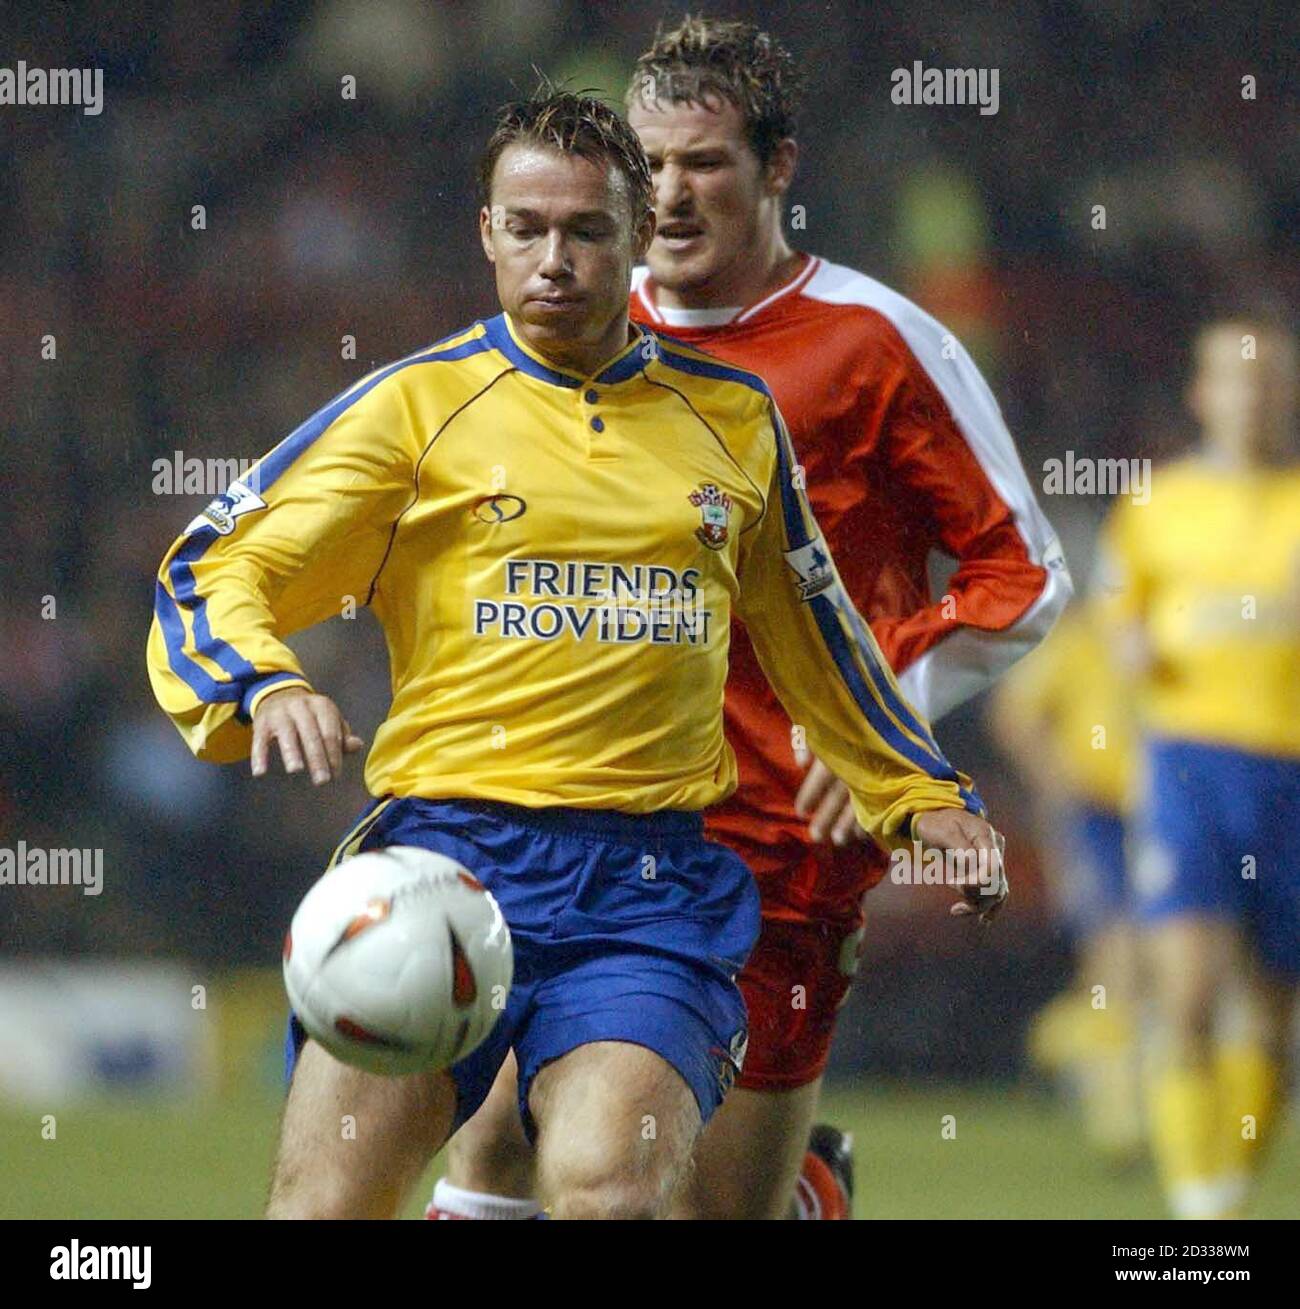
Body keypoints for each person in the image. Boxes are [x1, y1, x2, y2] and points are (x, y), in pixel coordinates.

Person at [147, 87, 1004, 1221]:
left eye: (587, 230)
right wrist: (263, 679)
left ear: (637, 234)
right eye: (526, 228)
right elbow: (214, 566)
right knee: (321, 1208)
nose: (554, 259)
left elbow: (821, 637)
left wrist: (918, 790)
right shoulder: (417, 408)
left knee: (608, 1192)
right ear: (486, 234)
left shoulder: (733, 421)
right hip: (439, 870)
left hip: (644, 889)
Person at [430, 17, 1065, 1223]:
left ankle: (804, 1191)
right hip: (586, 815)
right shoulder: (578, 328)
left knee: (702, 1206)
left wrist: (879, 720)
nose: (668, 193)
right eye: (648, 163)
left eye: (703, 162)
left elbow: (1022, 571)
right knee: (500, 1143)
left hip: (778, 836)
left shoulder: (874, 343)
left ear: (776, 169)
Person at [1096, 314, 1300, 1219]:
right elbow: (1115, 612)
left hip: (1291, 773)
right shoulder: (1157, 506)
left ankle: (1228, 1191)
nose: (1252, 395)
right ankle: (1197, 1211)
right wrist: (1131, 644)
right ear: (1201, 393)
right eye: (1235, 378)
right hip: (1189, 767)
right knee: (1185, 993)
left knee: (1271, 1014)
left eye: (1268, 379)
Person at [989, 598, 1143, 1166]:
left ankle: (1060, 1039)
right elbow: (1013, 714)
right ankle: (1117, 1115)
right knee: (1118, 955)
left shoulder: (1162, 631)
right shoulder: (1081, 637)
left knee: (1142, 963)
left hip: (1161, 814)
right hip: (1098, 816)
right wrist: (1058, 788)